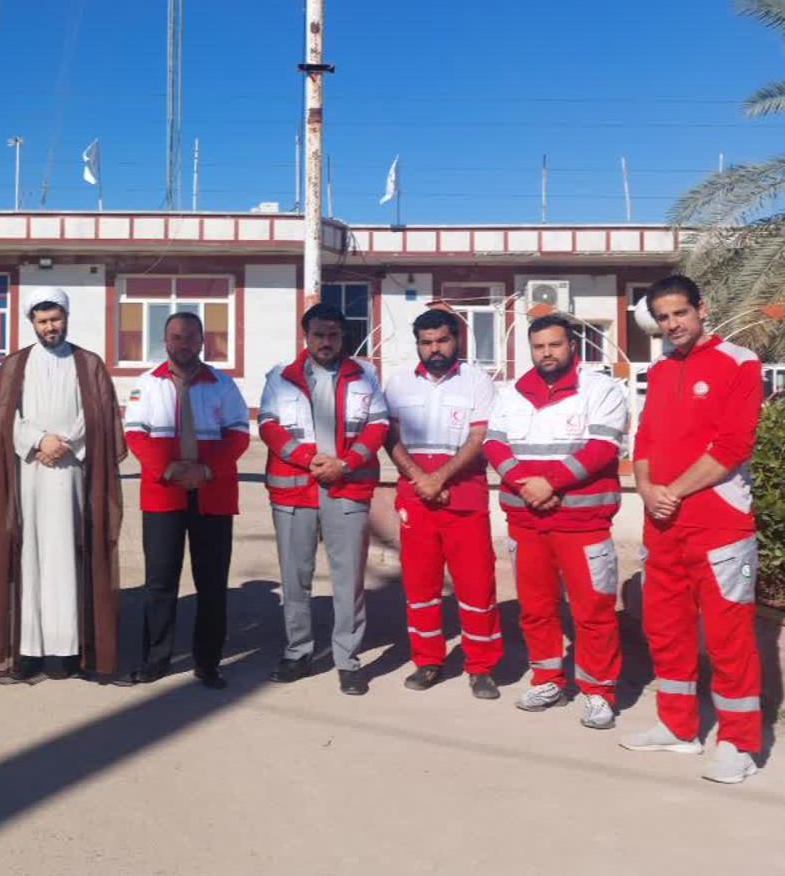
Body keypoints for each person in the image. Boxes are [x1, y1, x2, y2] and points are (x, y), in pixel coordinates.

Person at [621, 275, 765, 784]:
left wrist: (672, 491)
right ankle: (678, 727)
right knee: (667, 630)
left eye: (679, 313)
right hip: (663, 525)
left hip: (719, 524)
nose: (672, 324)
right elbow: (644, 440)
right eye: (662, 317)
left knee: (728, 637)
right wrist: (645, 489)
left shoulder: (740, 362)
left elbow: (733, 446)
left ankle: (739, 743)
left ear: (701, 309)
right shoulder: (661, 371)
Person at [484, 313, 628, 730]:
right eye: (539, 347)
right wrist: (522, 482)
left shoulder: (600, 388)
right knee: (536, 608)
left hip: (583, 521)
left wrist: (550, 483)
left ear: (572, 346)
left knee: (594, 609)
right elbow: (494, 443)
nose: (547, 353)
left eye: (555, 345)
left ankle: (598, 690)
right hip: (526, 520)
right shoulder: (512, 393)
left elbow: (602, 447)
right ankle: (547, 680)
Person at [0, 287, 127, 684]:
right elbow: (3, 417)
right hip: (29, 473)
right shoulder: (15, 365)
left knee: (67, 555)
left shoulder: (88, 364)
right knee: (29, 555)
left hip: (71, 474)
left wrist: (66, 444)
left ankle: (66, 650)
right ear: (32, 322)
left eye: (55, 319)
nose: (50, 327)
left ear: (66, 318)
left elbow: (98, 414)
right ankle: (29, 650)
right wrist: (38, 441)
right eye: (42, 321)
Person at [259, 302, 389, 695]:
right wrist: (307, 459)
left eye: (333, 335)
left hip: (347, 486)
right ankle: (298, 652)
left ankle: (347, 660)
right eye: (319, 335)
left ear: (343, 336)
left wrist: (345, 464)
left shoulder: (365, 375)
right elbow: (269, 425)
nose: (326, 342)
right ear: (306, 336)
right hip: (294, 488)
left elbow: (378, 426)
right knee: (295, 577)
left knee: (348, 579)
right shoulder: (280, 377)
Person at [124, 311, 250, 689]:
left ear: (202, 342)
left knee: (211, 582)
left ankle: (208, 662)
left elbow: (239, 435)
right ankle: (156, 659)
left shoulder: (223, 384)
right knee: (160, 581)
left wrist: (207, 471)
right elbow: (135, 435)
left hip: (213, 492)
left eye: (191, 337)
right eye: (176, 337)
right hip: (164, 493)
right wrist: (168, 469)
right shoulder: (147, 384)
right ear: (166, 342)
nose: (183, 344)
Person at [383, 308, 502, 698]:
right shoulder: (399, 383)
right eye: (426, 342)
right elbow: (390, 437)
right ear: (418, 344)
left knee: (476, 585)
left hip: (463, 497)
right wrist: (421, 479)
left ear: (457, 340)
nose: (435, 349)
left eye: (442, 340)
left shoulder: (477, 382)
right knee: (420, 586)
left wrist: (440, 478)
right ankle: (428, 661)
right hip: (417, 498)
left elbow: (479, 437)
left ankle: (481, 667)